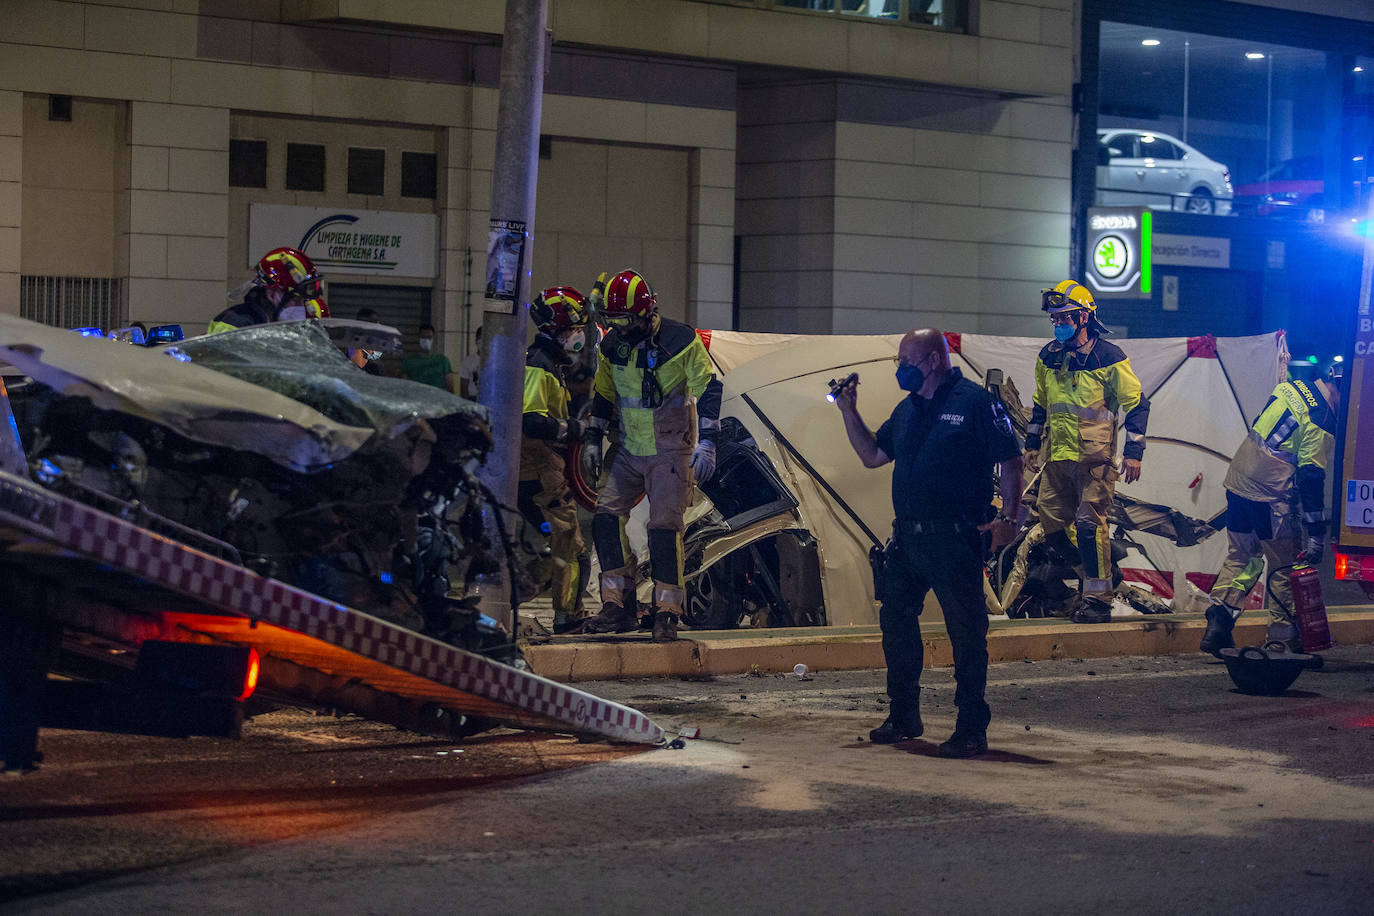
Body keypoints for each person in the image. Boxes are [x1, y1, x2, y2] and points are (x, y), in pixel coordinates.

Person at [834, 328, 1022, 759]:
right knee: (896, 622)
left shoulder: (975, 402)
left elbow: (1011, 460)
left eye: (906, 361)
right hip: (909, 541)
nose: (900, 369)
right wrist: (849, 411)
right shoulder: (908, 410)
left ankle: (972, 727)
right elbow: (872, 456)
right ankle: (904, 716)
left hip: (955, 538)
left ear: (935, 360)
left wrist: (1009, 519)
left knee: (966, 632)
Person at [578, 269, 723, 642]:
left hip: (671, 449)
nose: (622, 329)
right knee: (606, 518)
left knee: (663, 529)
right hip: (628, 446)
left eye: (626, 320)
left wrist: (707, 440)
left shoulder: (681, 340)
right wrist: (593, 436)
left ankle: (667, 612)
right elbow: (605, 394)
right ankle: (617, 605)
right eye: (614, 322)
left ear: (646, 311)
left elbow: (709, 387)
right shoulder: (611, 346)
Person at [1022, 280, 1149, 624]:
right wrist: (1031, 444)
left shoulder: (1109, 358)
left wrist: (1134, 452)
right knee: (1054, 531)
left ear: (1083, 317)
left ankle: (1098, 601)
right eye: (1053, 318)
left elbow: (1137, 404)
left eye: (1063, 317)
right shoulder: (1049, 356)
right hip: (1057, 459)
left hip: (1095, 462)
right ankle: (1105, 579)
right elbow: (1040, 405)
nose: (1057, 324)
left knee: (1091, 527)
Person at [1199, 368, 1340, 655]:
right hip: (1269, 495)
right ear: (1339, 388)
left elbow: (1259, 422)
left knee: (1243, 556)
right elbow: (1312, 478)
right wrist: (1316, 534)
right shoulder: (1322, 419)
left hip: (1238, 481)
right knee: (1283, 565)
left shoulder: (1292, 388)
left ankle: (1220, 619)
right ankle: (1283, 638)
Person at [519, 287, 594, 634]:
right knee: (571, 550)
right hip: (538, 472)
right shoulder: (540, 366)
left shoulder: (550, 363)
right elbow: (531, 421)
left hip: (541, 470)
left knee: (556, 549)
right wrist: (575, 428)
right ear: (553, 330)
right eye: (572, 329)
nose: (578, 336)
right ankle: (568, 618)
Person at [209, 247, 323, 334]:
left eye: (303, 302)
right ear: (271, 294)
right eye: (296, 300)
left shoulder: (272, 324)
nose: (300, 308)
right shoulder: (238, 325)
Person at [402, 323, 456, 392]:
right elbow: (404, 386)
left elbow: (450, 386)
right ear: (418, 338)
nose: (426, 340)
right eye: (423, 337)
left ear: (434, 339)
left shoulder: (443, 360)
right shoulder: (408, 361)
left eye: (429, 337)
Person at [349, 308, 385, 376]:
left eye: (377, 322)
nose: (377, 325)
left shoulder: (374, 341)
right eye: (374, 322)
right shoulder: (352, 341)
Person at [458, 326, 484, 399]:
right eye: (480, 338)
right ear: (476, 340)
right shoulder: (468, 361)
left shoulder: (495, 362)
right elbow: (463, 387)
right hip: (473, 398)